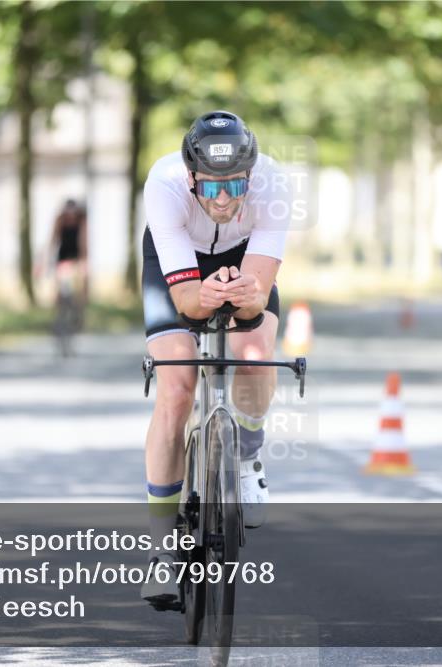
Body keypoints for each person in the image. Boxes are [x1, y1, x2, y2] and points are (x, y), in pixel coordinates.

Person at [139, 110, 289, 607]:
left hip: (244, 256)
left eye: (234, 185)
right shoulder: (164, 184)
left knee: (255, 354)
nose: (223, 199)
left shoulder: (273, 184)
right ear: (190, 178)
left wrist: (245, 296)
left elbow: (256, 298)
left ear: (251, 175)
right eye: (209, 187)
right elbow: (186, 303)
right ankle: (162, 550)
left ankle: (247, 457)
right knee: (177, 386)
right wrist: (203, 295)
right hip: (177, 259)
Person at [47, 198, 89, 318]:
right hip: (63, 254)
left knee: (82, 278)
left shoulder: (81, 221)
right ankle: (58, 306)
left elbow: (83, 242)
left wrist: (84, 261)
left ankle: (81, 306)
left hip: (77, 253)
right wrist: (50, 258)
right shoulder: (60, 220)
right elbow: (53, 239)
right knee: (59, 280)